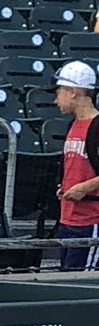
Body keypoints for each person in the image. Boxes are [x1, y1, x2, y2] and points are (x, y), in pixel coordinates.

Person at [53, 59, 99, 269]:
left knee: (82, 281)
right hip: (69, 217)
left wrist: (84, 188)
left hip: (91, 219)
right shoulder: (73, 125)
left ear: (73, 91)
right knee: (66, 275)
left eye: (59, 91)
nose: (56, 99)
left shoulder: (96, 126)